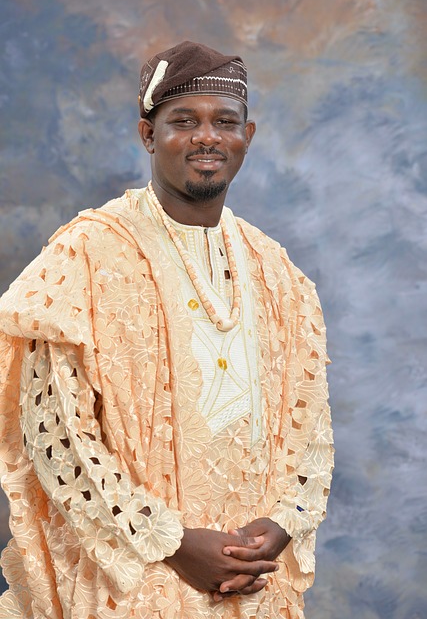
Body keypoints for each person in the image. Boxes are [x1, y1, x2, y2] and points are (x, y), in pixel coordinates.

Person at [0, 41, 333, 618]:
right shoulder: (85, 255)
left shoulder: (277, 271)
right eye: (184, 121)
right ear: (148, 135)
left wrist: (282, 524)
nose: (207, 137)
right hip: (136, 573)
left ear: (247, 136)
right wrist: (172, 543)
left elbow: (312, 424)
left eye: (224, 122)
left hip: (254, 577)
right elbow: (57, 434)